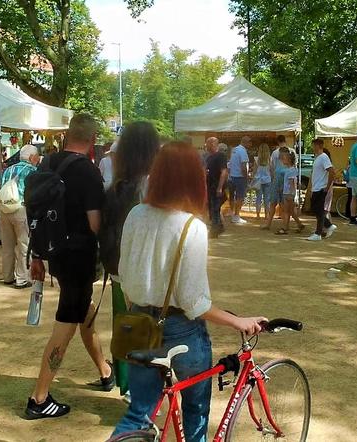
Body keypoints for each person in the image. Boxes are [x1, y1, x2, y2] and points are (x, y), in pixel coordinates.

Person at [110, 142, 266, 441]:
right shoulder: (191, 227)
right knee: (195, 412)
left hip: (139, 325)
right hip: (182, 331)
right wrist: (238, 321)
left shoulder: (136, 215)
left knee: (138, 413)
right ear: (194, 178)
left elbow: (124, 277)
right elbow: (194, 303)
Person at [25, 114, 113, 419]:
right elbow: (95, 223)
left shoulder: (46, 163)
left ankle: (105, 370)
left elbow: (35, 212)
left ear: (67, 135)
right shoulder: (88, 172)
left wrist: (37, 255)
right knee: (66, 323)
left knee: (83, 310)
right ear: (92, 140)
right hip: (79, 256)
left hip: (54, 253)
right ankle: (39, 398)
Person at [100, 121, 160, 401]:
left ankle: (127, 384)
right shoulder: (153, 187)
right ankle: (142, 390)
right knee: (149, 328)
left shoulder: (114, 188)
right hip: (149, 273)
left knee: (124, 326)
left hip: (118, 270)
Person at [0, 144, 39, 288]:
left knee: (7, 246)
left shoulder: (7, 169)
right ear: (31, 157)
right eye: (37, 156)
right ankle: (21, 278)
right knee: (24, 245)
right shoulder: (33, 171)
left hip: (4, 209)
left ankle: (7, 276)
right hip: (21, 209)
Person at [262, 136, 293, 230]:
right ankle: (285, 224)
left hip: (278, 181)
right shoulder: (292, 151)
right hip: (282, 182)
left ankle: (271, 224)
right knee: (283, 204)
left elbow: (271, 167)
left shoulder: (275, 153)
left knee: (276, 204)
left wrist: (273, 178)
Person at [307, 139, 335, 241]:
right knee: (316, 209)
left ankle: (318, 233)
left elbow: (332, 171)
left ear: (318, 146)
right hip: (316, 187)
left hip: (321, 188)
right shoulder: (318, 158)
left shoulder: (323, 157)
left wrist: (327, 187)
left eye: (313, 145)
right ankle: (328, 225)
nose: (312, 148)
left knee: (319, 210)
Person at [275, 150, 304, 235]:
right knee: (290, 211)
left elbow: (291, 183)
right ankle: (299, 224)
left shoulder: (290, 170)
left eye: (284, 159)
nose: (282, 161)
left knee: (287, 211)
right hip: (288, 193)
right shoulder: (291, 169)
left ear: (289, 160)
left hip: (288, 193)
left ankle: (285, 228)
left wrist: (292, 194)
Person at [204, 136, 228, 237]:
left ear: (213, 144)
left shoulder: (220, 156)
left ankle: (215, 230)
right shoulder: (209, 157)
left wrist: (220, 187)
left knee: (215, 208)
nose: (206, 145)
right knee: (212, 208)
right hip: (210, 186)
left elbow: (224, 172)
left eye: (208, 143)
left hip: (217, 186)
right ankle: (219, 227)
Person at [228, 136, 251, 224]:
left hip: (232, 177)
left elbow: (230, 164)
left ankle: (232, 214)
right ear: (246, 142)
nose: (250, 144)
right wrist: (246, 177)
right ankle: (236, 216)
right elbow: (243, 167)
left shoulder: (234, 150)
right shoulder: (243, 151)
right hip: (240, 177)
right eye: (250, 142)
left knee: (232, 197)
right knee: (240, 197)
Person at [252, 143, 272, 220]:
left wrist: (253, 179)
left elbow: (254, 171)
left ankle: (258, 214)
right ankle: (266, 215)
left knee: (258, 198)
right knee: (267, 198)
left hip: (258, 181)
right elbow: (272, 171)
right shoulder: (269, 160)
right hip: (267, 180)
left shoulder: (257, 159)